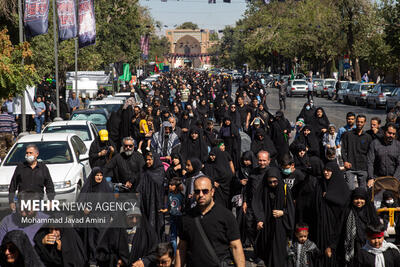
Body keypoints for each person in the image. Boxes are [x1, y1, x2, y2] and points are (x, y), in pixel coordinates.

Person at [175, 176, 245, 267]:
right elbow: (182, 248)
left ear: (212, 192)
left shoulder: (226, 215)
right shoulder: (186, 217)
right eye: (197, 191)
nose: (201, 195)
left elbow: (236, 246)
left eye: (205, 191)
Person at [252, 167, 295, 267]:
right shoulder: (263, 188)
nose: (272, 184)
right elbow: (257, 204)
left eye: (275, 182)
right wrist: (259, 219)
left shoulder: (284, 188)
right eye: (270, 182)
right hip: (266, 225)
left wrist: (283, 212)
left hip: (280, 225)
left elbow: (291, 208)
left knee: (278, 250)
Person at [310, 161, 350, 267]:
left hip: (336, 225)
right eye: (325, 170)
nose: (326, 173)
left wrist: (329, 196)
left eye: (329, 171)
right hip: (321, 225)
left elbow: (344, 203)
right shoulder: (320, 185)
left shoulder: (341, 185)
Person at [327, 187, 379, 266]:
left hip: (368, 246)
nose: (359, 201)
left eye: (362, 198)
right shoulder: (347, 212)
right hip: (352, 247)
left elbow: (377, 229)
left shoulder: (369, 212)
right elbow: (339, 229)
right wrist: (332, 246)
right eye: (356, 198)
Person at [8, 144, 55, 211]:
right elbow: (13, 185)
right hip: (22, 202)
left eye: (30, 153)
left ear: (36, 154)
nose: (28, 155)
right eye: (27, 153)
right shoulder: (20, 167)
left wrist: (51, 200)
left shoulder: (43, 168)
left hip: (37, 203)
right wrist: (11, 201)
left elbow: (49, 185)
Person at [138, 152, 166, 239]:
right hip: (145, 201)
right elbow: (140, 184)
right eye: (146, 159)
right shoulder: (144, 170)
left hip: (157, 201)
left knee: (157, 222)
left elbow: (160, 184)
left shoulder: (160, 170)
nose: (147, 162)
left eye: (150, 160)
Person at [341, 114, 372, 190]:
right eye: (358, 122)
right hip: (350, 167)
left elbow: (370, 153)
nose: (359, 124)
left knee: (363, 191)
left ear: (364, 123)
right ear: (355, 122)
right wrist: (345, 161)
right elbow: (343, 149)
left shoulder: (368, 137)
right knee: (350, 189)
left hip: (363, 168)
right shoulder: (348, 134)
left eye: (361, 122)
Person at [367, 123, 400, 188]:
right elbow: (370, 162)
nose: (391, 135)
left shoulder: (398, 146)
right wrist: (370, 178)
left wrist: (394, 179)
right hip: (378, 179)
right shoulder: (375, 144)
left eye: (393, 134)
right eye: (389, 133)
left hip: (394, 179)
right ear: (384, 132)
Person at [159, 177, 184, 252]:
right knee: (173, 237)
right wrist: (164, 210)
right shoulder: (169, 195)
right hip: (172, 217)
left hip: (180, 218)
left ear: (176, 186)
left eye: (172, 185)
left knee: (182, 237)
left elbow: (183, 206)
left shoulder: (181, 195)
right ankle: (175, 254)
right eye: (169, 184)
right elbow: (170, 207)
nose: (169, 186)